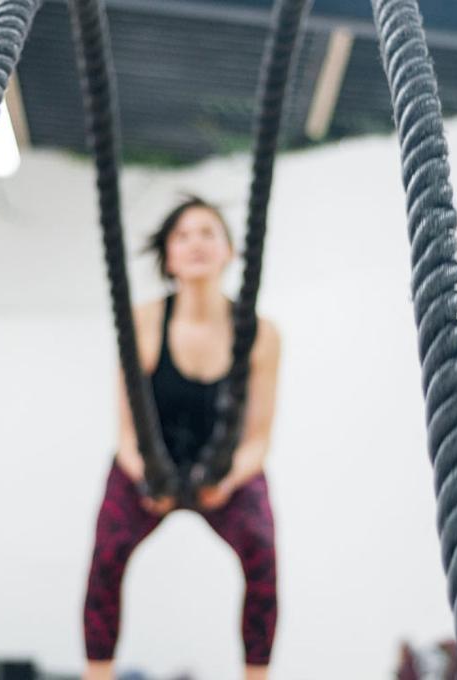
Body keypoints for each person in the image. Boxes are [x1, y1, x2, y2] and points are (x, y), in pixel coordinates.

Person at [82, 195, 282, 680]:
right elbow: (127, 433)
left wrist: (228, 481)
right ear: (168, 256)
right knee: (106, 555)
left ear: (230, 251)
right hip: (146, 469)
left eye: (208, 233)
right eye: (183, 236)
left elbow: (258, 439)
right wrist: (148, 477)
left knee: (261, 547)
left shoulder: (260, 333)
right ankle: (97, 673)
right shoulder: (145, 321)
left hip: (226, 471)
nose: (196, 244)